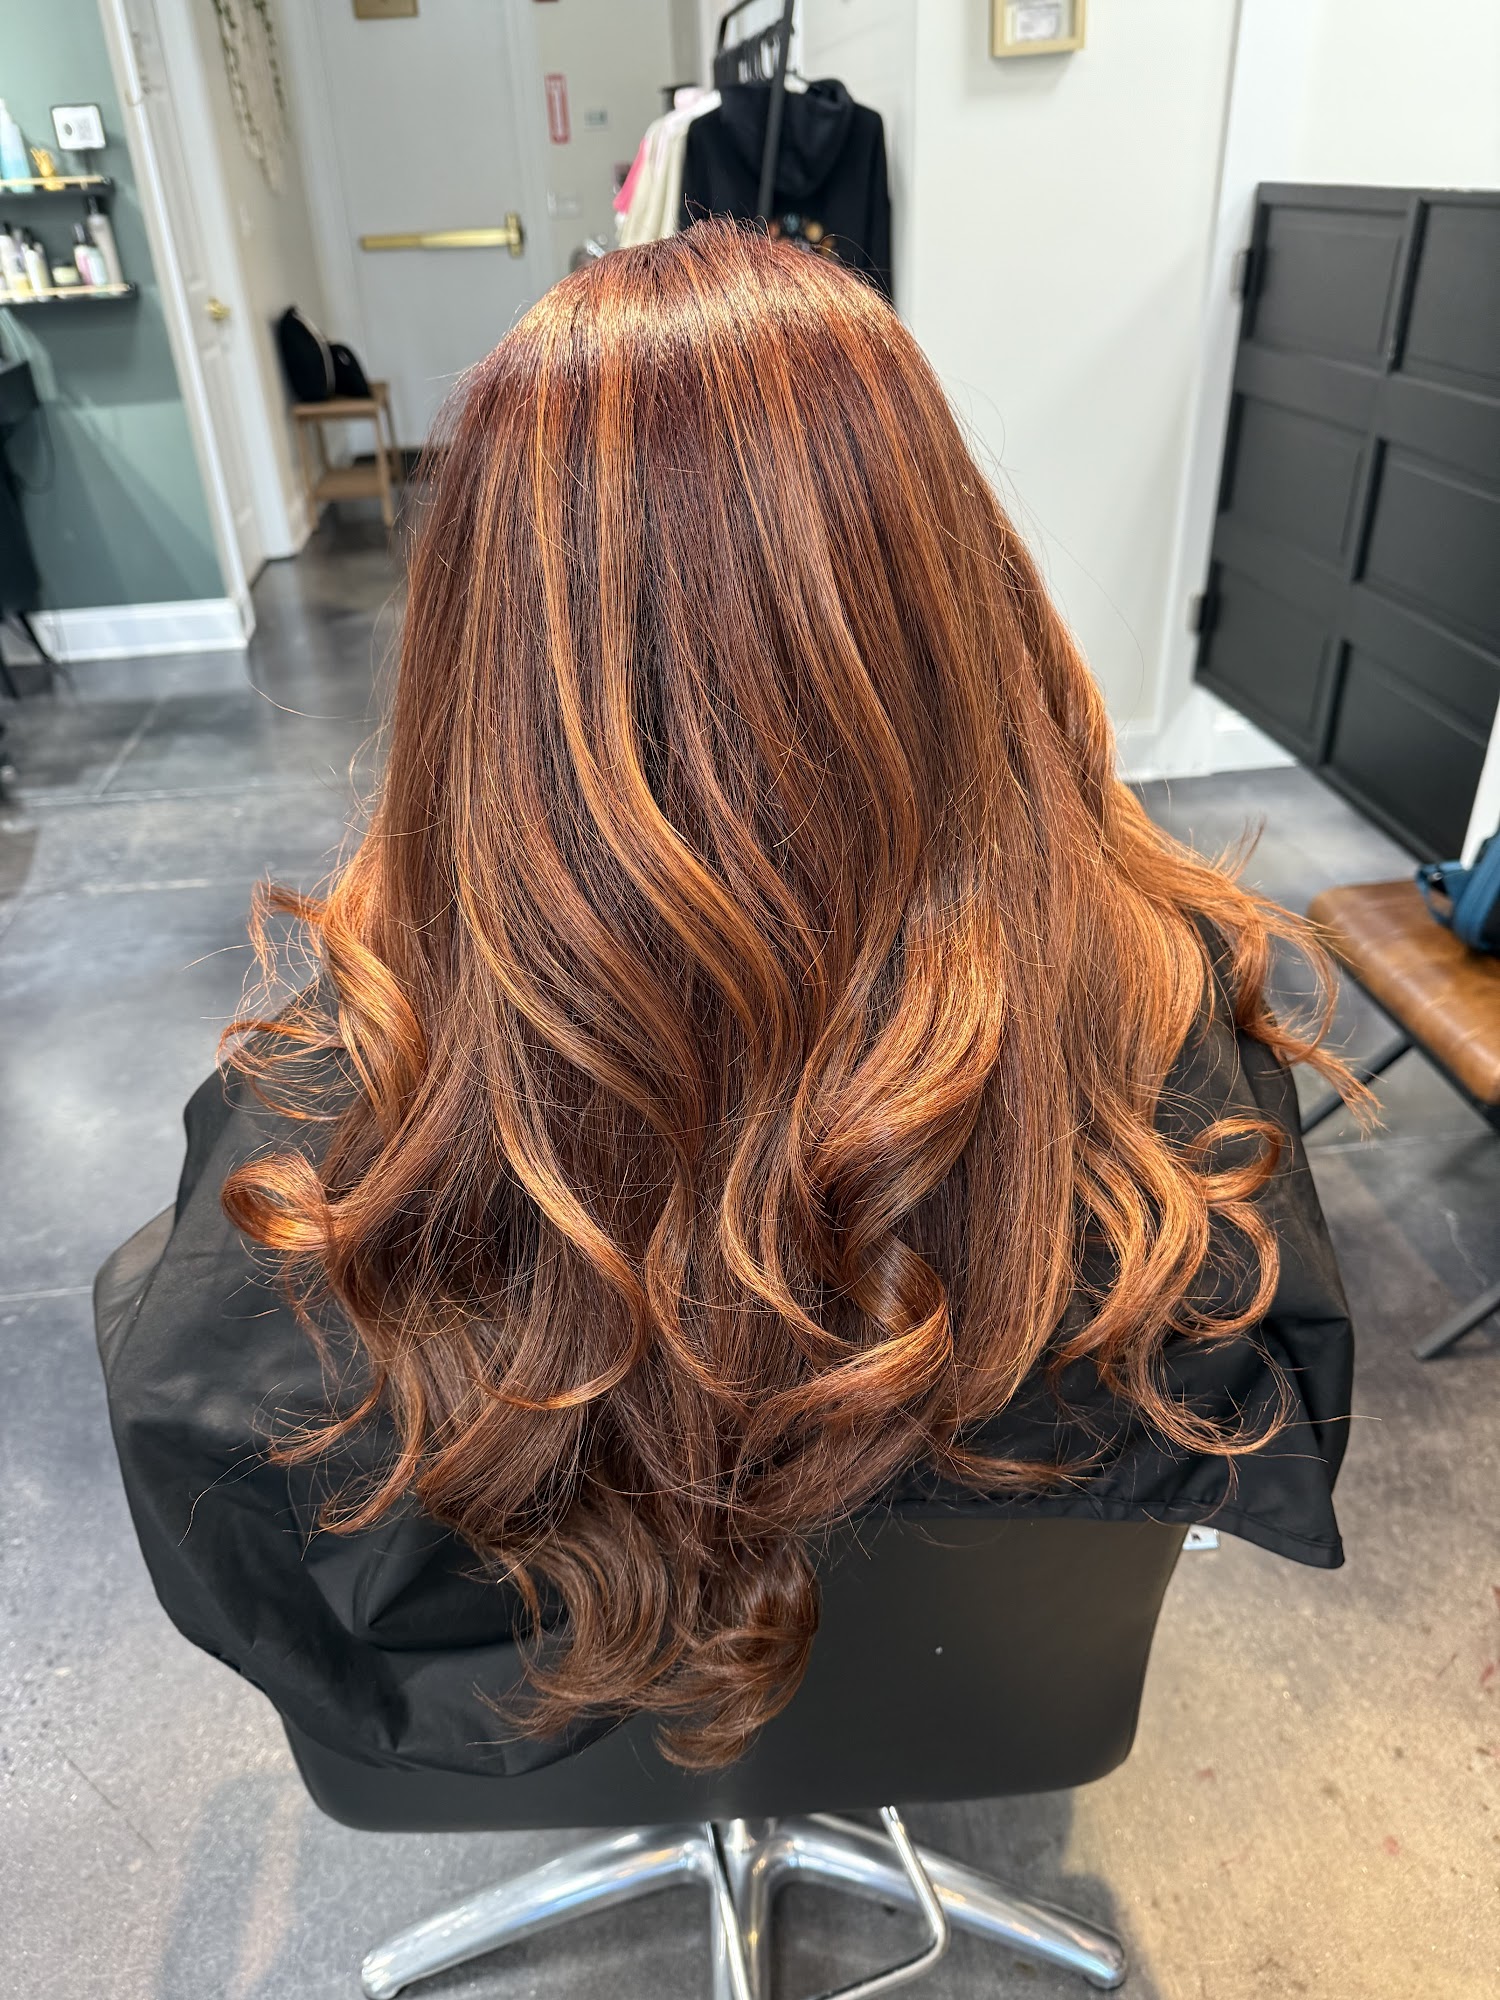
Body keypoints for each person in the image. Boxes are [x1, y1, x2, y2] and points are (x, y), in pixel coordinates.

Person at [98, 222, 1359, 1779]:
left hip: (545, 1752)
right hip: (981, 1714)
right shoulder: (1164, 1026)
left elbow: (221, 1465)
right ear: (949, 590)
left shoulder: (343, 1113)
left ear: (485, 657)